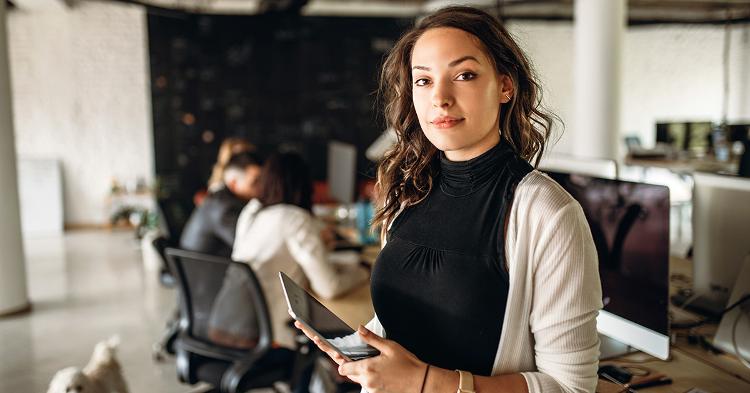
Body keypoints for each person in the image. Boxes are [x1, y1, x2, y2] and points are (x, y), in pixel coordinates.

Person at [295, 6, 602, 393]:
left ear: (505, 86)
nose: (440, 97)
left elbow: (572, 387)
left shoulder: (547, 212)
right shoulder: (409, 190)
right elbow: (402, 321)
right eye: (423, 80)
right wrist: (361, 347)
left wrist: (426, 382)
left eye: (464, 75)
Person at [232, 151, 370, 349]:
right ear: (303, 185)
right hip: (272, 335)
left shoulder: (251, 211)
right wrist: (363, 271)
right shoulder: (295, 218)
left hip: (233, 322)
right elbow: (329, 287)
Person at [180, 152, 262, 257]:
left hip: (197, 267)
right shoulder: (224, 209)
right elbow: (248, 247)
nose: (260, 188)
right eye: (254, 182)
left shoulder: (219, 198)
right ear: (233, 184)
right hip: (208, 271)